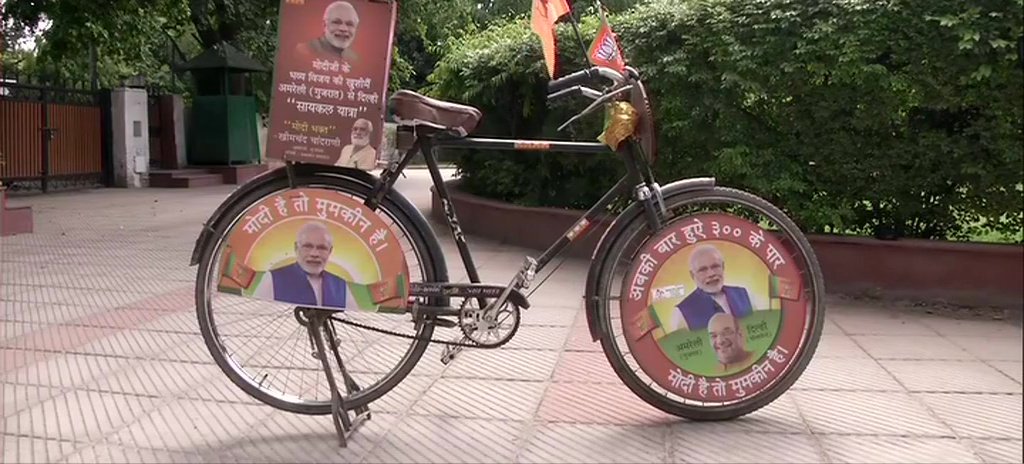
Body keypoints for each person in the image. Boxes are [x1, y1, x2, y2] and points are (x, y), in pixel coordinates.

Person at [251, 221, 350, 308]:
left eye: (321, 248)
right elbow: (256, 317)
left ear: (330, 251)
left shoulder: (341, 286)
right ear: (296, 248)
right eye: (307, 246)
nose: (314, 254)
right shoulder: (272, 279)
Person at [670, 243, 754, 331]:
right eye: (703, 270)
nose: (711, 274)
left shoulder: (744, 294)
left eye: (715, 266)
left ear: (723, 267)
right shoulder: (681, 312)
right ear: (692, 275)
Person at [295, 1, 361, 61]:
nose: (343, 29)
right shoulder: (304, 50)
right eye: (336, 22)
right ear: (324, 25)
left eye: (350, 24)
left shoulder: (353, 59)